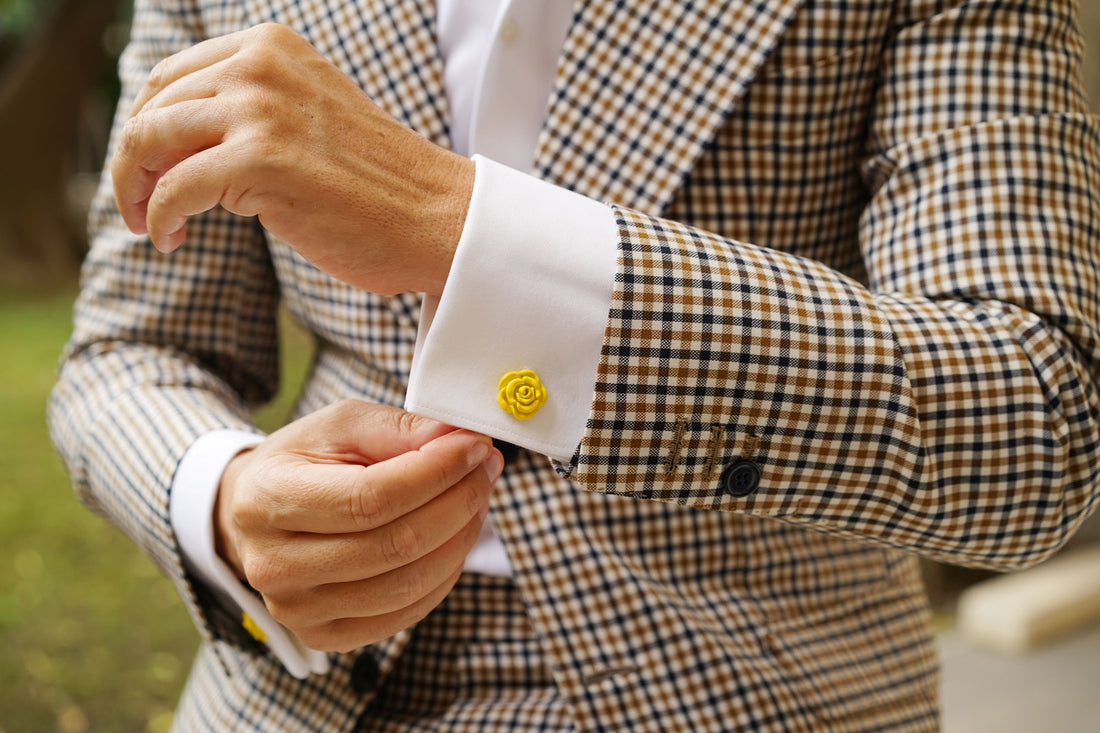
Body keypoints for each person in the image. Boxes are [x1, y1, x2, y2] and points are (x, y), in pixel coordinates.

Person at [49, 0, 1100, 730]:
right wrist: (221, 497)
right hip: (297, 691)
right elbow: (126, 349)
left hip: (755, 682)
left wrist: (451, 223)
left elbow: (1035, 413)